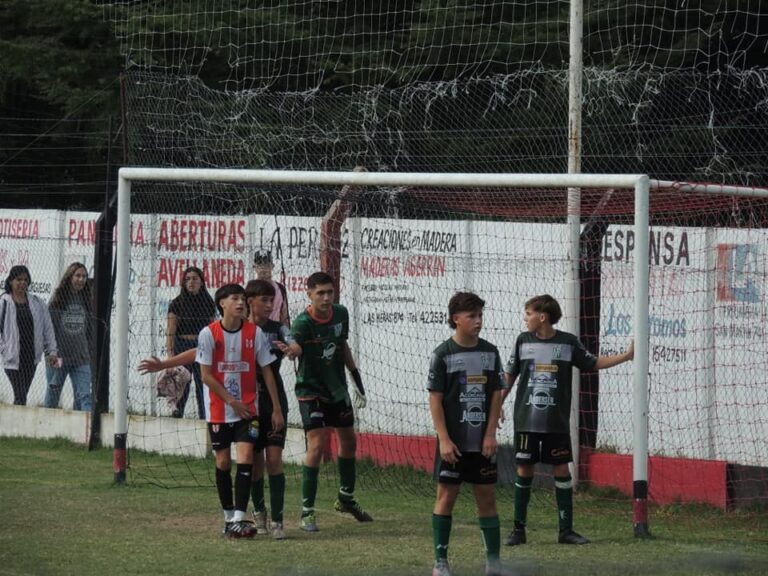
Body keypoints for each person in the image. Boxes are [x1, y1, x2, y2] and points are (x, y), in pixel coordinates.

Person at [502, 294, 634, 547]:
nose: (525, 318)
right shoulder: (523, 341)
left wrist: (626, 356)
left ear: (542, 317)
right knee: (524, 469)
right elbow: (510, 376)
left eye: (528, 313)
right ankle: (518, 530)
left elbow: (592, 363)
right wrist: (498, 404)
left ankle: (566, 531)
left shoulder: (568, 342)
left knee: (562, 470)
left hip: (556, 422)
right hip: (526, 421)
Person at [279, 271, 371, 532]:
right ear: (309, 294)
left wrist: (356, 377)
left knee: (349, 442)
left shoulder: (341, 314)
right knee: (317, 446)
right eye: (320, 293)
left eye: (330, 292)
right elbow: (295, 346)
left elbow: (342, 346)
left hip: (337, 390)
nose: (327, 297)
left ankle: (346, 498)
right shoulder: (303, 323)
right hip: (311, 391)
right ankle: (307, 512)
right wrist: (292, 350)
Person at [195, 283, 285, 538]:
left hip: (248, 410)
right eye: (234, 298)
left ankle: (238, 517)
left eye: (242, 299)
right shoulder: (209, 333)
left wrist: (276, 408)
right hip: (220, 410)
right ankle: (228, 517)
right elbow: (205, 375)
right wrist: (231, 401)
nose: (240, 303)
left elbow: (267, 370)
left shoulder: (254, 333)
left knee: (246, 457)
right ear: (222, 303)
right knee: (223, 462)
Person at [428, 292, 505, 576]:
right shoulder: (443, 354)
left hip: (482, 443)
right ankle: (440, 563)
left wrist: (490, 434)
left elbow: (496, 394)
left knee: (487, 498)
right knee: (446, 497)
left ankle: (493, 563)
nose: (478, 321)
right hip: (454, 444)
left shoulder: (490, 352)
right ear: (456, 319)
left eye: (480, 315)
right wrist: (444, 439)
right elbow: (435, 399)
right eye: (472, 316)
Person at [245, 279, 294, 540]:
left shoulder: (279, 329)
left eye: (271, 300)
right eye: (263, 300)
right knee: (255, 464)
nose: (268, 305)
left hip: (275, 402)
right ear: (250, 301)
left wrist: (293, 349)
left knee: (274, 460)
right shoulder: (240, 330)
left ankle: (278, 521)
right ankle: (259, 513)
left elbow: (294, 343)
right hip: (249, 403)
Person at [0, 265, 58, 405]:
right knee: (20, 393)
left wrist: (52, 351)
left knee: (22, 394)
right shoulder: (4, 302)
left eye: (26, 280)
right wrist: (4, 348)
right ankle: (16, 417)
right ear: (11, 281)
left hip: (31, 356)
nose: (23, 283)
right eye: (19, 279)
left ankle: (16, 415)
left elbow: (48, 329)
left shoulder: (37, 302)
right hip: (13, 357)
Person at [166, 266, 216, 418]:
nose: (191, 282)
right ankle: (177, 414)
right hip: (182, 346)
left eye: (195, 278)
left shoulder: (208, 302)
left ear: (201, 281)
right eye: (187, 279)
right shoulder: (177, 303)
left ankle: (204, 416)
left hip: (202, 347)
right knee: (182, 383)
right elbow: (170, 331)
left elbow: (213, 328)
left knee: (203, 383)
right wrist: (171, 356)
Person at [44, 262, 93, 411]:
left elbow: (89, 330)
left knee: (84, 395)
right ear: (69, 277)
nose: (81, 279)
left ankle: (85, 424)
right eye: (77, 276)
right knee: (53, 392)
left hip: (80, 358)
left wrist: (90, 351)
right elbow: (48, 329)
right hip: (59, 358)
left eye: (84, 276)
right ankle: (47, 422)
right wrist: (50, 353)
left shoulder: (87, 299)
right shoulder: (58, 299)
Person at [253, 251, 289, 326]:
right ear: (255, 267)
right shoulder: (251, 289)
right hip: (255, 329)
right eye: (260, 264)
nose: (263, 268)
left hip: (275, 329)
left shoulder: (280, 288)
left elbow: (284, 315)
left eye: (266, 264)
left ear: (272, 266)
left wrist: (286, 331)